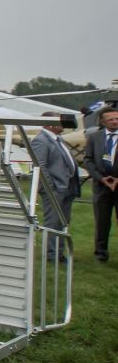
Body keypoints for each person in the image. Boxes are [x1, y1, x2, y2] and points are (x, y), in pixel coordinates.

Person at [30, 112, 81, 260]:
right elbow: (40, 166)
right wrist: (50, 188)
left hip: (66, 188)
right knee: (53, 222)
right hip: (55, 189)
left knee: (63, 222)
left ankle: (59, 253)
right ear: (49, 123)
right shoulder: (41, 140)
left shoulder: (58, 139)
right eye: (59, 120)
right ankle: (51, 255)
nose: (63, 123)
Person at [83, 106, 118, 262]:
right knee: (102, 222)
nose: (115, 122)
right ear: (103, 122)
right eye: (111, 119)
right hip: (101, 186)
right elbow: (88, 160)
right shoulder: (94, 137)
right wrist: (100, 178)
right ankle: (101, 253)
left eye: (117, 119)